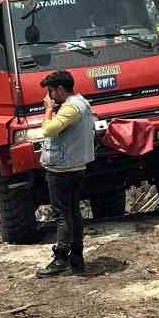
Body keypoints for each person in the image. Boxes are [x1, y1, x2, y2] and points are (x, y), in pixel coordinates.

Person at [35, 69, 95, 277]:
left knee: (62, 215)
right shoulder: (83, 103)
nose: (50, 96)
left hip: (62, 169)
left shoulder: (70, 108)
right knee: (73, 213)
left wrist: (49, 110)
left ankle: (60, 257)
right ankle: (77, 257)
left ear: (60, 89)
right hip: (77, 166)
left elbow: (48, 130)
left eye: (51, 91)